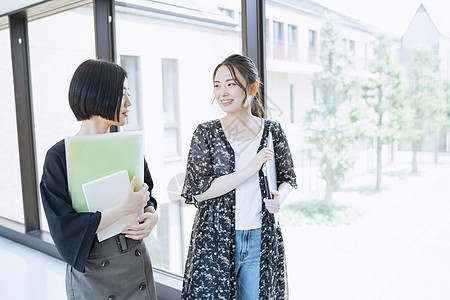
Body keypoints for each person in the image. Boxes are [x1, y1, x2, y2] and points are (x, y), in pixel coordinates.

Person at [181, 54, 297, 299]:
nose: (222, 91)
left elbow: (289, 178)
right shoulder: (206, 133)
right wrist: (249, 169)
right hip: (215, 238)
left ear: (252, 87)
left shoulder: (272, 131)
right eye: (217, 84)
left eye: (231, 83)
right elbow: (199, 191)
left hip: (260, 236)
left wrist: (280, 197)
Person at [40, 59, 158, 300]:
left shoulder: (128, 145)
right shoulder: (59, 156)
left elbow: (147, 195)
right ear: (98, 94)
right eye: (121, 94)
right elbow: (64, 229)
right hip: (94, 272)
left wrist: (152, 215)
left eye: (128, 94)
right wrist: (121, 209)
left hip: (135, 261)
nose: (129, 103)